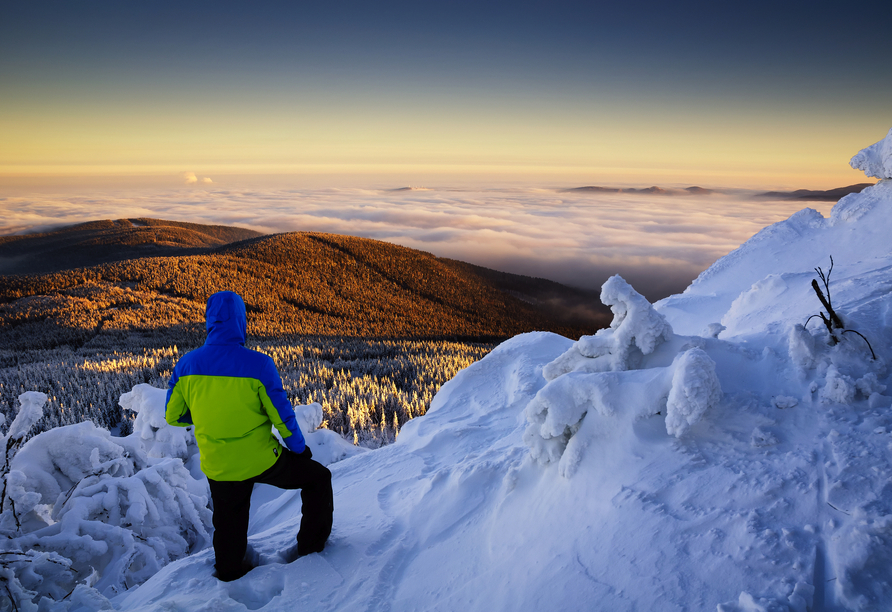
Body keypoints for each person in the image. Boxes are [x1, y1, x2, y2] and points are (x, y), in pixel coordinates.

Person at [165, 290, 333, 582]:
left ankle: (230, 572)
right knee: (318, 479)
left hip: (219, 464)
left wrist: (207, 415)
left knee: (228, 522)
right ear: (242, 321)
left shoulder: (187, 366)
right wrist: (298, 448)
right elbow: (281, 416)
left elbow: (173, 415)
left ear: (209, 322)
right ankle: (310, 547)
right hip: (261, 459)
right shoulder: (259, 365)